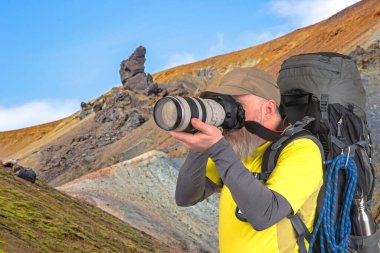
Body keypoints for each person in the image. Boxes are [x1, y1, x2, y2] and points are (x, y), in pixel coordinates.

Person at [171, 67, 323, 253]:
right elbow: (186, 197)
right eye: (224, 105)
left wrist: (218, 148)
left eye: (237, 106)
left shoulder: (302, 149)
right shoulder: (238, 145)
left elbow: (264, 215)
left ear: (268, 109)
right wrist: (199, 146)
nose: (228, 115)